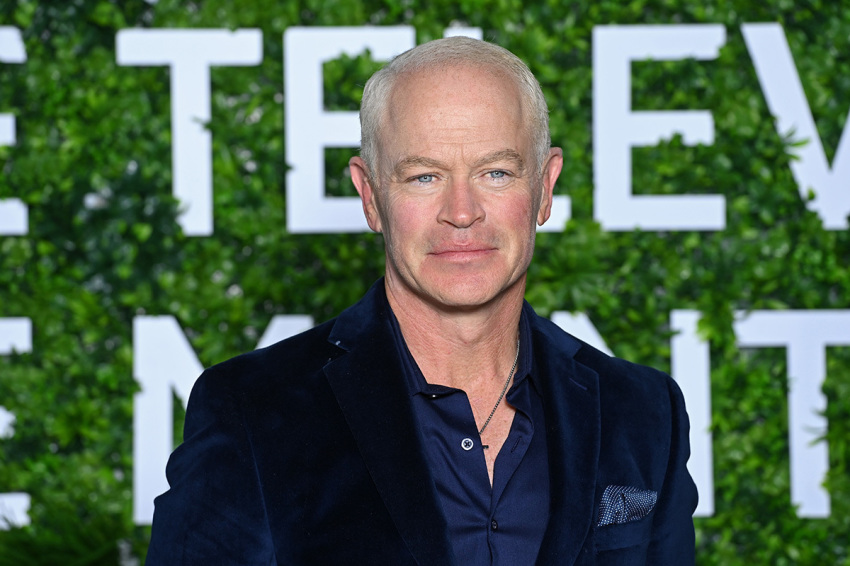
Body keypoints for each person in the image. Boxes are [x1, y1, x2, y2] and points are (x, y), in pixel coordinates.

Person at [146, 36, 698, 565]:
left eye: (496, 172)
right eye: (424, 176)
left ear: (546, 188)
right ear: (370, 197)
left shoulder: (644, 412)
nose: (462, 211)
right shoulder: (254, 410)